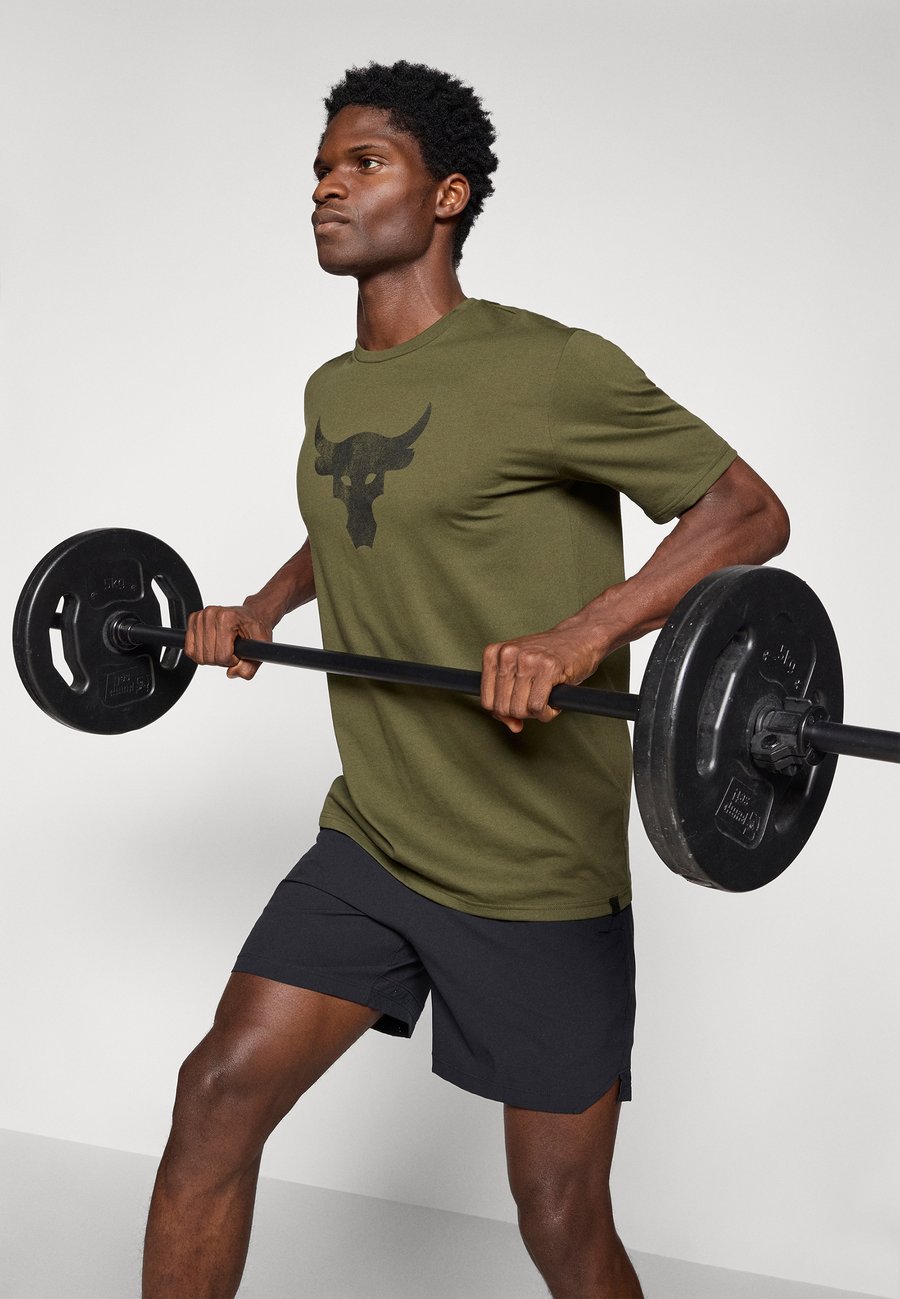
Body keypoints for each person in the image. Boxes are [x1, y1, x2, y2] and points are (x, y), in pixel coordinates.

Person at [142, 60, 789, 1299]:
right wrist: (262, 609)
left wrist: (581, 633)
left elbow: (746, 512)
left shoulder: (549, 366)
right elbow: (356, 521)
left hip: (535, 870)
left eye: (363, 163)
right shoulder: (336, 388)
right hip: (377, 839)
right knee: (215, 1095)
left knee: (559, 1219)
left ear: (447, 195)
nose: (327, 188)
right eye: (320, 169)